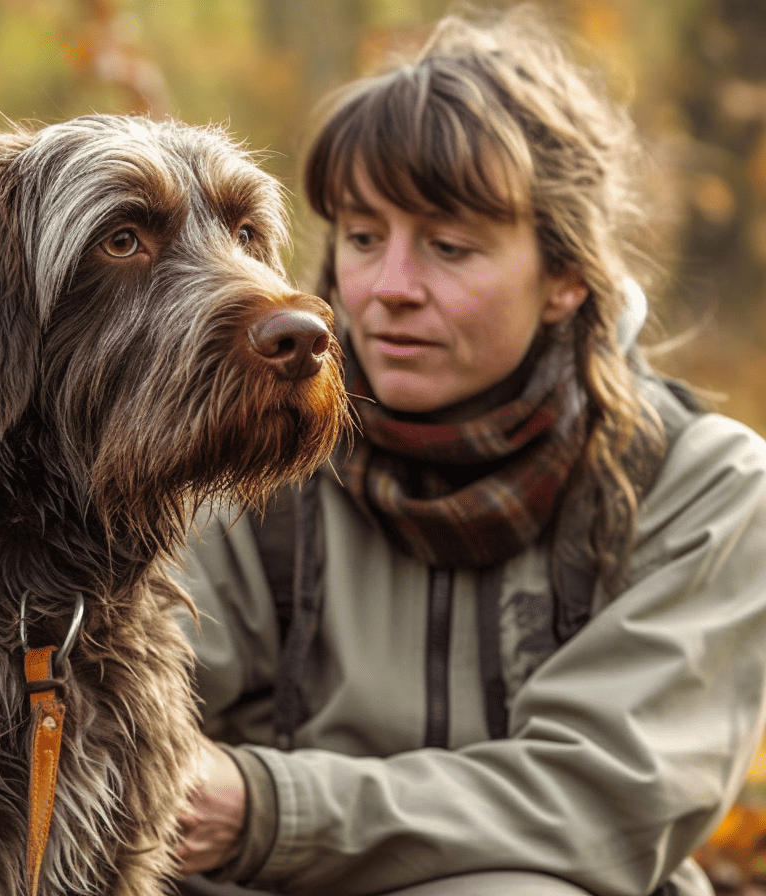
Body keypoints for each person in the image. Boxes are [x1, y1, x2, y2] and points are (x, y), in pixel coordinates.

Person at [172, 7, 766, 896]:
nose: (389, 290)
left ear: (567, 278)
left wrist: (266, 809)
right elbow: (127, 706)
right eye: (364, 238)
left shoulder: (704, 487)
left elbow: (601, 802)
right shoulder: (244, 454)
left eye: (449, 247)